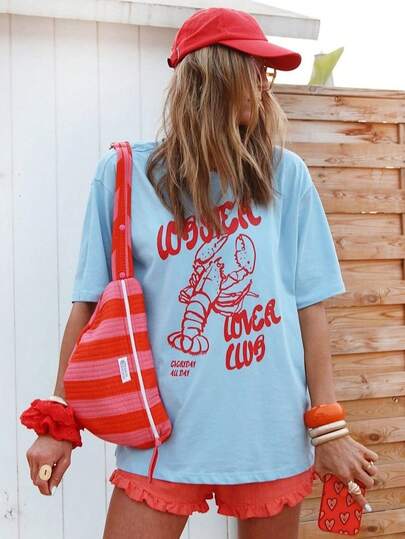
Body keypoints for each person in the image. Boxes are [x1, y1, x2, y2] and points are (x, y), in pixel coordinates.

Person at [23, 7, 379, 539]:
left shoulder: (286, 177)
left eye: (267, 72)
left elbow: (310, 307)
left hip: (269, 432)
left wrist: (329, 429)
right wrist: (59, 421)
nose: (264, 85)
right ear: (216, 75)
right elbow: (89, 305)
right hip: (162, 434)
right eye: (255, 69)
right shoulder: (126, 175)